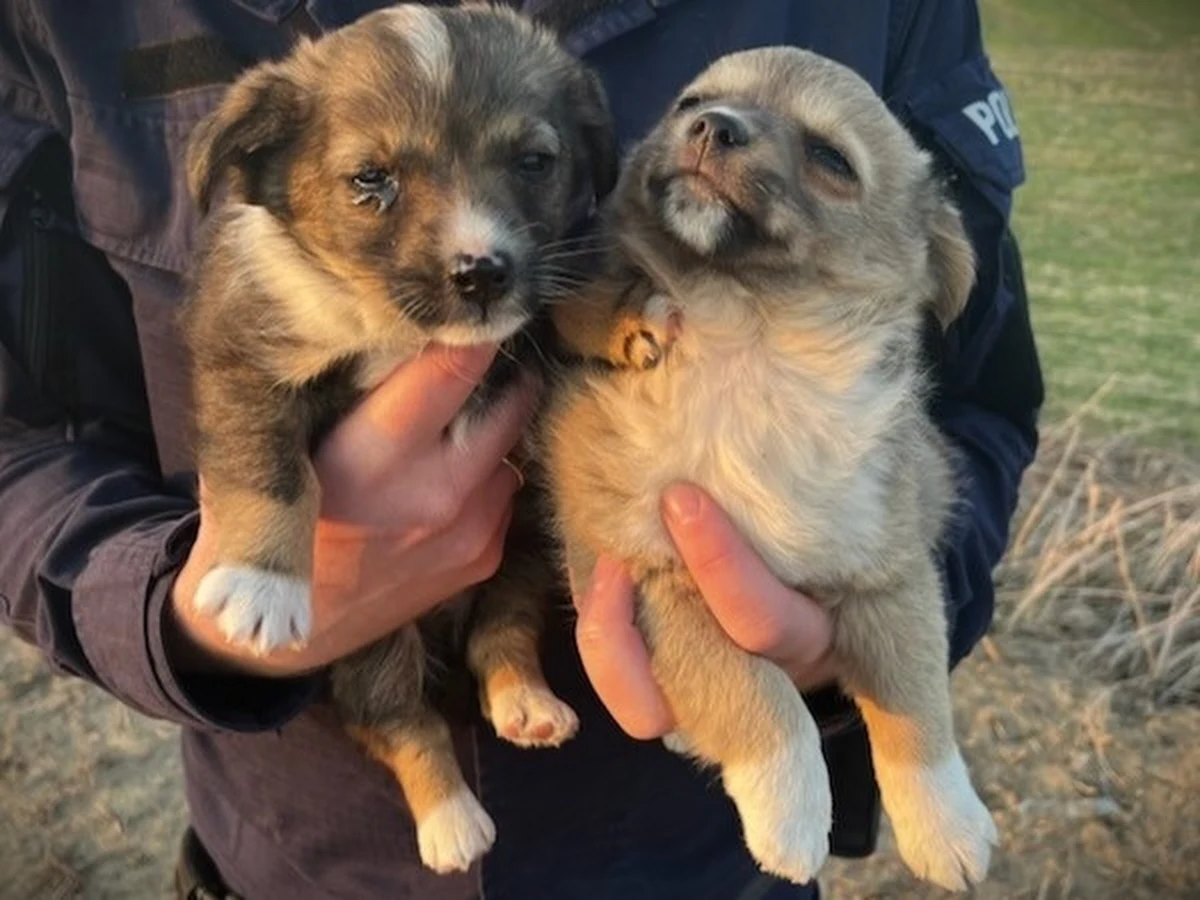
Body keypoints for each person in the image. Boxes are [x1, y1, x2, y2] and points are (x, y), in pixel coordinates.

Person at [0, 1, 1043, 898]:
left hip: (704, 865)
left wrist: (845, 636)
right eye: (373, 183)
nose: (477, 243)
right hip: (292, 858)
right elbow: (20, 441)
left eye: (535, 167)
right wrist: (185, 614)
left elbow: (978, 395)